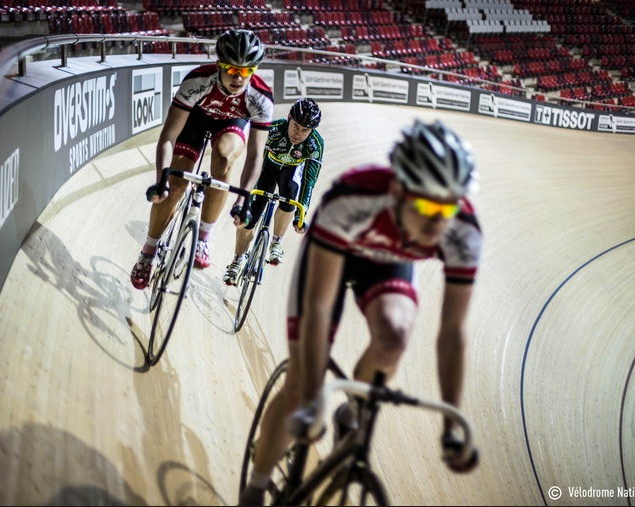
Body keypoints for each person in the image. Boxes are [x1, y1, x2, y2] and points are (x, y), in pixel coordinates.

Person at [238, 119, 482, 506]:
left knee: (396, 334)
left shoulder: (463, 229)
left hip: (388, 265)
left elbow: (453, 331)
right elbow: (318, 306)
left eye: (449, 207)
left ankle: (351, 410)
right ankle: (256, 486)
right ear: (399, 189)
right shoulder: (353, 197)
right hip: (336, 256)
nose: (439, 220)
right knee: (301, 388)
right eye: (428, 205)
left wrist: (452, 425)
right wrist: (313, 394)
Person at [130, 29, 274, 290]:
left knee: (223, 158)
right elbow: (168, 137)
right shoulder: (198, 80)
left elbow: (254, 156)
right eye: (231, 69)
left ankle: (203, 238)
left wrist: (243, 199)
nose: (238, 78)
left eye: (246, 71)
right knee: (174, 186)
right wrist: (161, 179)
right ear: (219, 65)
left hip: (231, 124)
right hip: (195, 120)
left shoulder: (261, 97)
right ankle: (148, 251)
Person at [223, 98, 324, 286]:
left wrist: (301, 216)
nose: (298, 134)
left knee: (290, 193)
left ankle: (277, 241)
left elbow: (309, 182)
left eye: (305, 130)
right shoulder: (274, 129)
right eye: (295, 126)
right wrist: (246, 197)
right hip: (268, 169)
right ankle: (237, 260)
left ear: (312, 131)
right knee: (250, 218)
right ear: (288, 118)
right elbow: (254, 161)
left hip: (291, 172)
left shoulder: (315, 145)